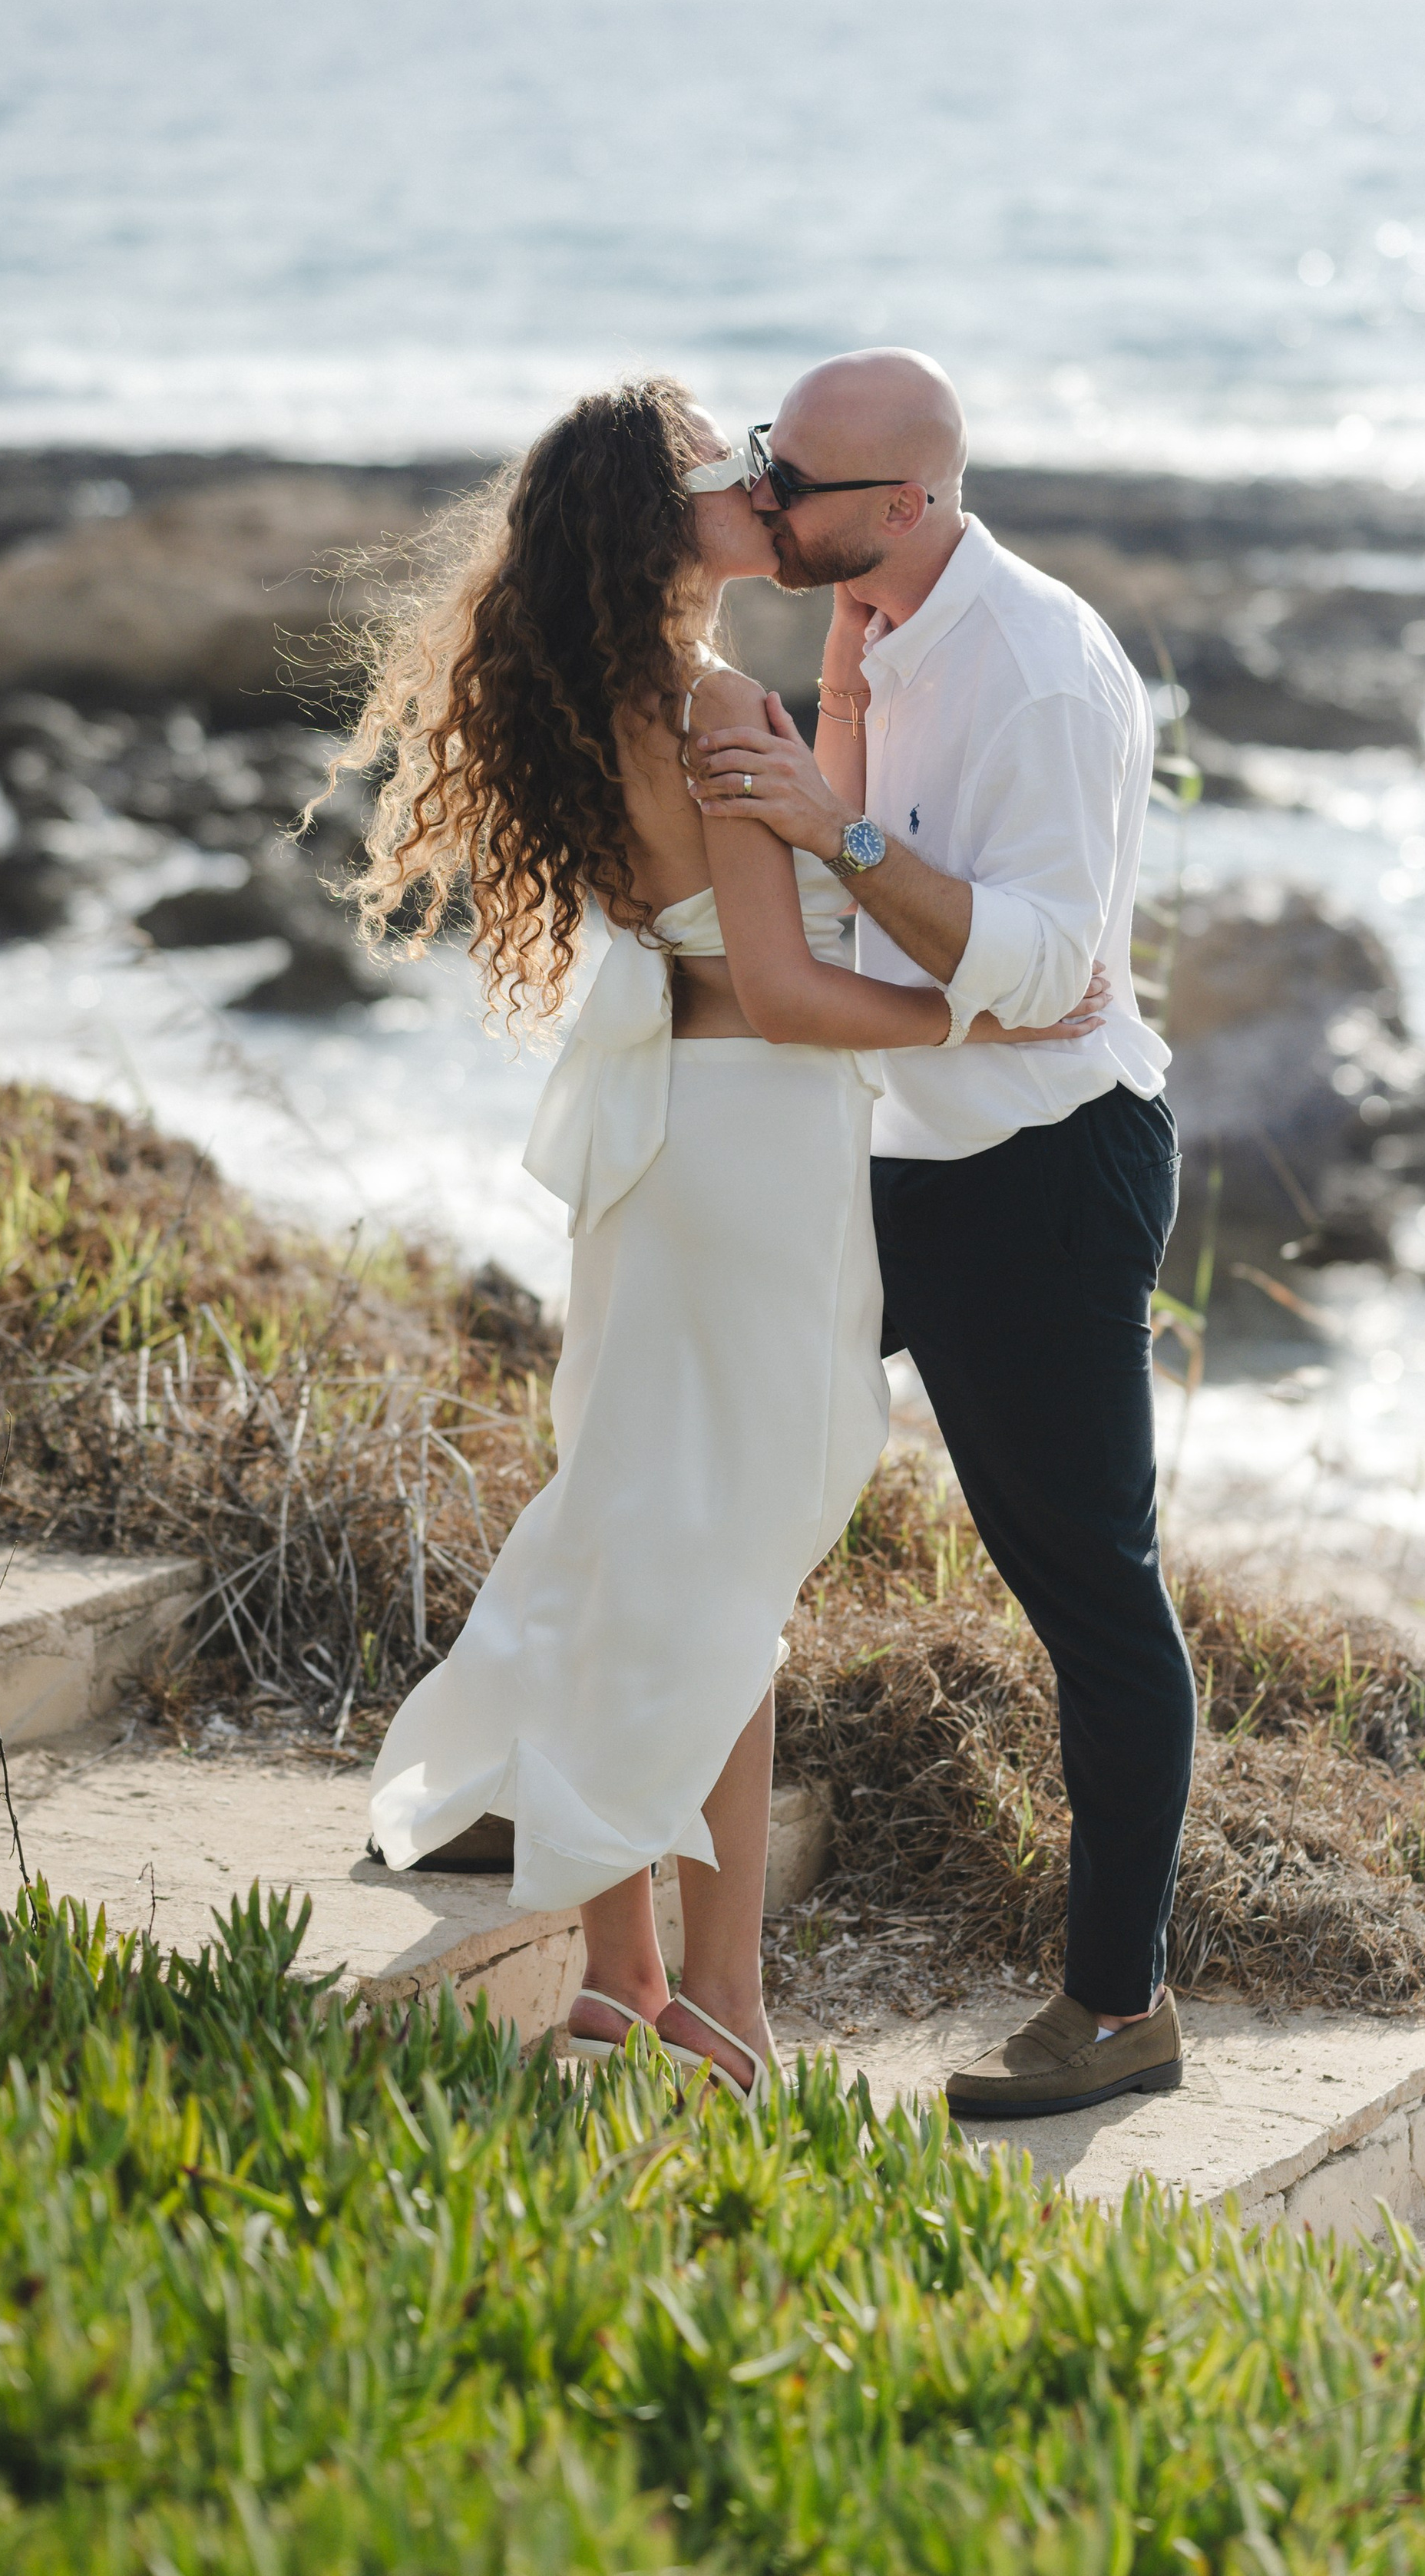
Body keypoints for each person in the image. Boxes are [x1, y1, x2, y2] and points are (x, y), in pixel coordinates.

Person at [336, 375, 1106, 2106]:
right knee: (725, 1570)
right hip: (753, 1156)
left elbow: (715, 944)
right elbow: (785, 988)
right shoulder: (709, 706)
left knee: (641, 1543)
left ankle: (629, 1984)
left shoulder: (600, 698)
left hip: (662, 1142)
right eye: (727, 469)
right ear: (658, 520)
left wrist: (838, 698)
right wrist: (990, 1016)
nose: (761, 485)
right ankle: (728, 2004)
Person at [689, 348, 1196, 2120]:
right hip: (901, 1146)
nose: (762, 498)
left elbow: (1046, 970)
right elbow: (864, 916)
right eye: (762, 462)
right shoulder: (882, 625)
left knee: (1090, 1597)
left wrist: (823, 818)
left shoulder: (1036, 672)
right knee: (702, 1432)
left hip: (1041, 1174)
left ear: (904, 503)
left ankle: (1117, 2009)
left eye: (793, 483)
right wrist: (836, 722)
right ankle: (582, 1777)